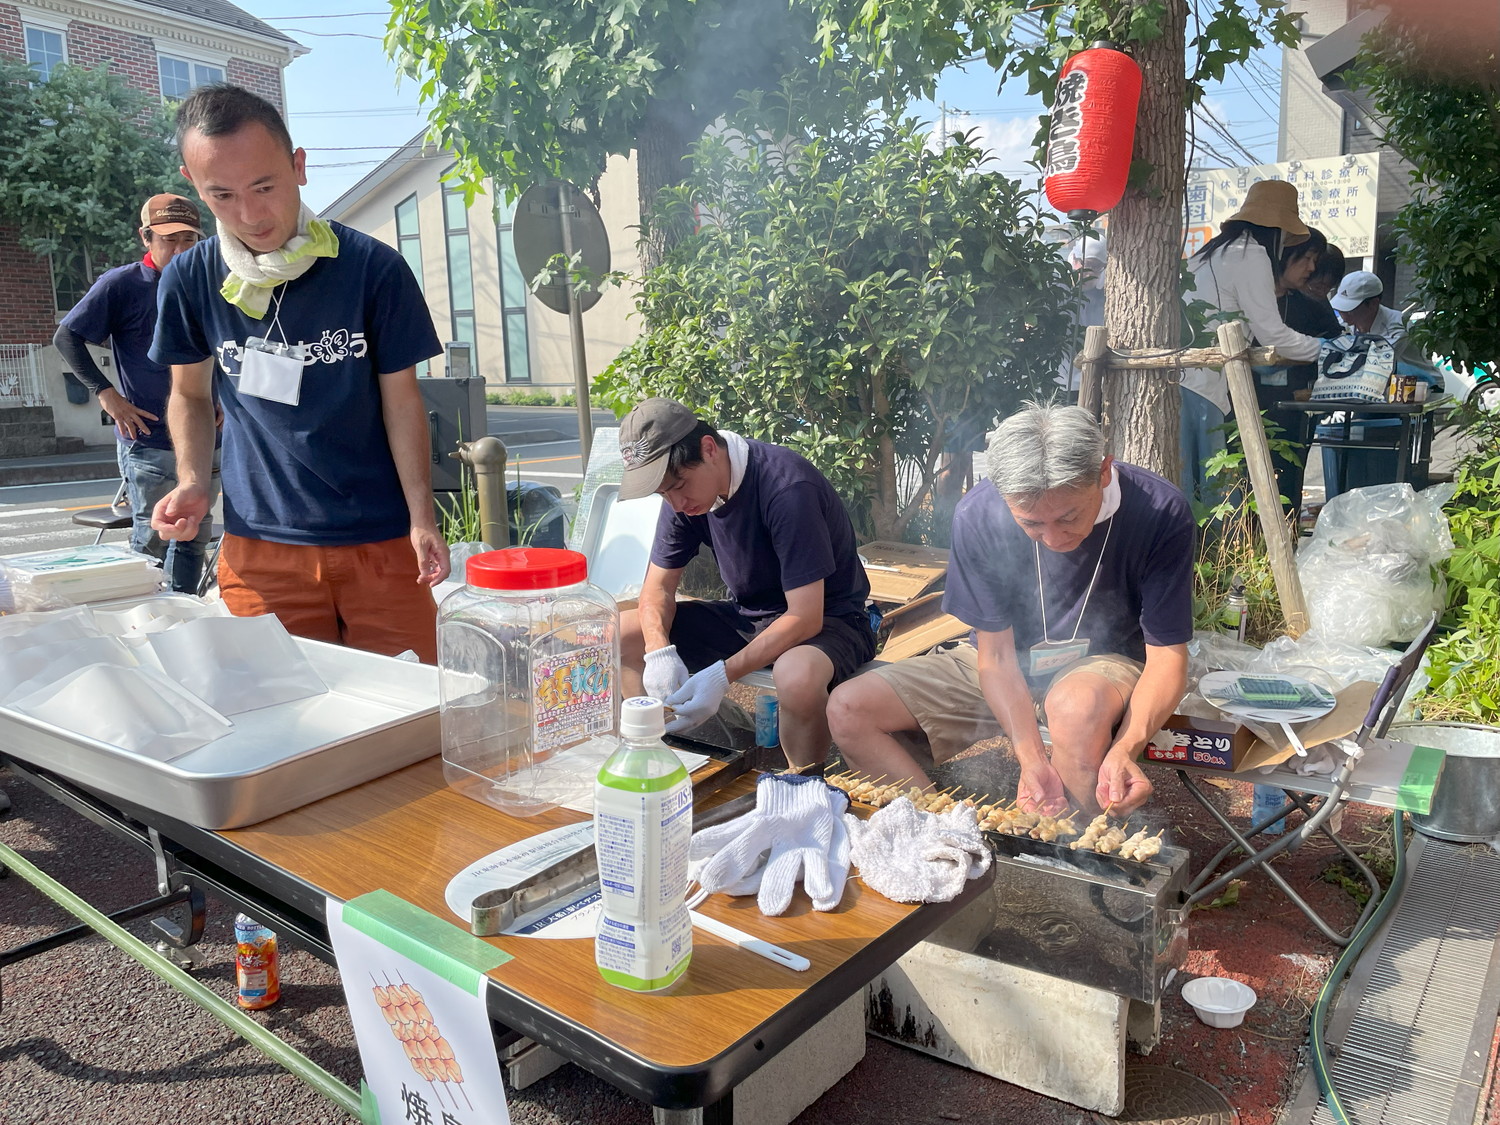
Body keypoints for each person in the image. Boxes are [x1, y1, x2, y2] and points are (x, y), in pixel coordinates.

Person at [148, 84, 449, 661]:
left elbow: (402, 401)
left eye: (264, 186)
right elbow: (188, 395)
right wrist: (192, 481)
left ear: (298, 166)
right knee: (279, 707)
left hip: (382, 542)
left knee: (412, 705)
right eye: (222, 195)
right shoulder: (191, 278)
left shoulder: (374, 269)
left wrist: (422, 517)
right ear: (194, 185)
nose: (250, 214)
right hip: (261, 547)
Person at [827, 403, 1193, 817]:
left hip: (1101, 665)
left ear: (1104, 471)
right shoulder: (980, 513)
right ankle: (938, 836)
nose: (1052, 538)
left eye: (1069, 516)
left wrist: (1125, 748)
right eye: (1031, 523)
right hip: (1002, 662)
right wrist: (1031, 759)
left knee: (1075, 708)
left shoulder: (1159, 510)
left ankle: (1075, 846)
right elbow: (997, 657)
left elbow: (1167, 657)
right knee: (849, 708)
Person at [617, 398, 875, 768]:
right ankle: (659, 758)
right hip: (750, 617)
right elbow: (657, 589)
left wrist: (721, 676)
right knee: (624, 633)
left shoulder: (786, 487)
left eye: (679, 485)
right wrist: (659, 653)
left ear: (709, 449)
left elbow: (805, 617)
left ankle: (803, 783)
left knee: (796, 675)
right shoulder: (685, 497)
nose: (676, 504)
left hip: (831, 620)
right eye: (663, 493)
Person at [53, 194, 221, 593]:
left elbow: (229, 347)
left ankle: (183, 609)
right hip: (148, 436)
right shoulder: (122, 284)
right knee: (152, 537)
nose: (180, 249)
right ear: (145, 237)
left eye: (188, 239)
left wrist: (227, 401)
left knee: (194, 530)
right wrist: (106, 393)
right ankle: (146, 613)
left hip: (205, 435)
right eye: (169, 239)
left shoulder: (209, 283)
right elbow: (67, 337)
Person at [1182, 180, 1326, 511]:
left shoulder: (1212, 251)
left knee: (1187, 486)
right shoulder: (1252, 254)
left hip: (1184, 377)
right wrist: (1326, 348)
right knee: (1217, 494)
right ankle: (1227, 545)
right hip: (1206, 387)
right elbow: (1273, 334)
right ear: (1278, 230)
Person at [1330, 270, 1406, 343]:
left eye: (1350, 309)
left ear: (1373, 304)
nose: (1343, 314)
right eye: (1340, 308)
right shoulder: (1341, 323)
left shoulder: (1397, 329)